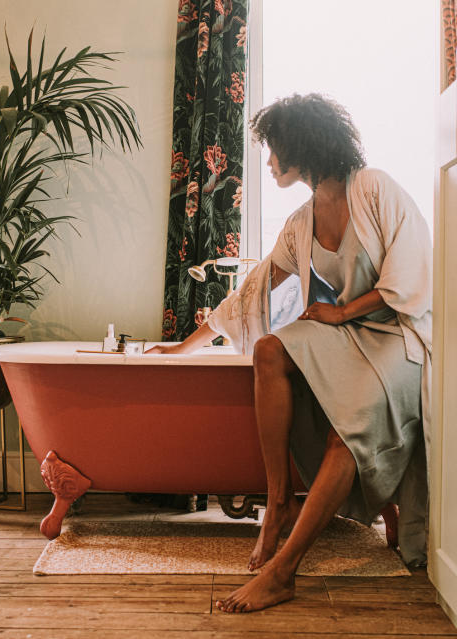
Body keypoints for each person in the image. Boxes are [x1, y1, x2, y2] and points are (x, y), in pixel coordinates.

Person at [148, 93, 433, 613]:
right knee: (271, 349)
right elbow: (253, 291)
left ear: (302, 145)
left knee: (350, 429)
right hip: (346, 337)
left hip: (397, 338)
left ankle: (284, 571)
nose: (269, 160)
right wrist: (184, 348)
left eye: (274, 149)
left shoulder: (372, 188)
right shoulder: (302, 222)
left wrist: (343, 313)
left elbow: (411, 274)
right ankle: (277, 500)